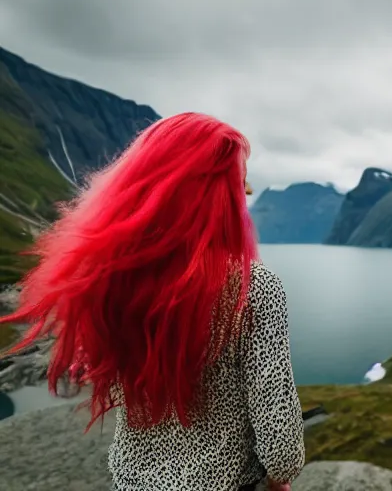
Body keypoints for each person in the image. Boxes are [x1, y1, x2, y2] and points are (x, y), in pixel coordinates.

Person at [0, 113, 305, 490]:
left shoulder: (114, 278)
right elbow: (281, 444)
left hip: (132, 480)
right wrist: (279, 479)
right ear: (211, 193)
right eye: (238, 185)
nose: (246, 194)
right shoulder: (250, 288)